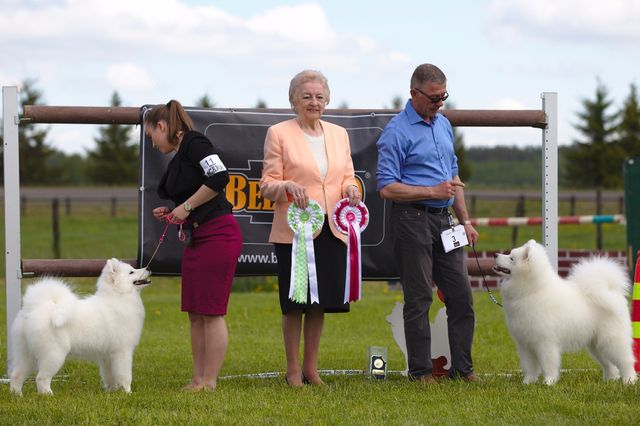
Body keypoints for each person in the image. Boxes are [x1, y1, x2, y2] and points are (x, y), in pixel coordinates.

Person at [376, 64, 480, 383]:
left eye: (443, 96)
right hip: (411, 219)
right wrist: (430, 191)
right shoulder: (396, 132)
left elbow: (453, 177)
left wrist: (465, 221)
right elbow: (386, 186)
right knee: (419, 297)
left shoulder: (444, 125)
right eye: (434, 97)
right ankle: (420, 372)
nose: (439, 103)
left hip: (445, 222)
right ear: (414, 94)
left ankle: (463, 369)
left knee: (461, 296)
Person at [260, 70, 361, 387]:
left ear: (327, 100)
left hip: (333, 228)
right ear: (293, 101)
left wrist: (352, 190)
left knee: (321, 303)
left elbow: (347, 176)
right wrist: (287, 186)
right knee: (295, 304)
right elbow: (267, 185)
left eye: (319, 96)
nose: (313, 102)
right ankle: (292, 370)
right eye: (306, 97)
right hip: (295, 232)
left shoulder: (339, 134)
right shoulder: (278, 133)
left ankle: (311, 369)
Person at [145, 100, 242, 391]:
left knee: (211, 312)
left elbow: (219, 177)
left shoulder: (196, 143)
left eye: (152, 136)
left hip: (219, 236)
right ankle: (197, 378)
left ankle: (209, 381)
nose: (153, 144)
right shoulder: (181, 154)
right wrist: (175, 210)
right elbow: (194, 190)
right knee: (196, 313)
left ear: (162, 127)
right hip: (197, 238)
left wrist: (186, 206)